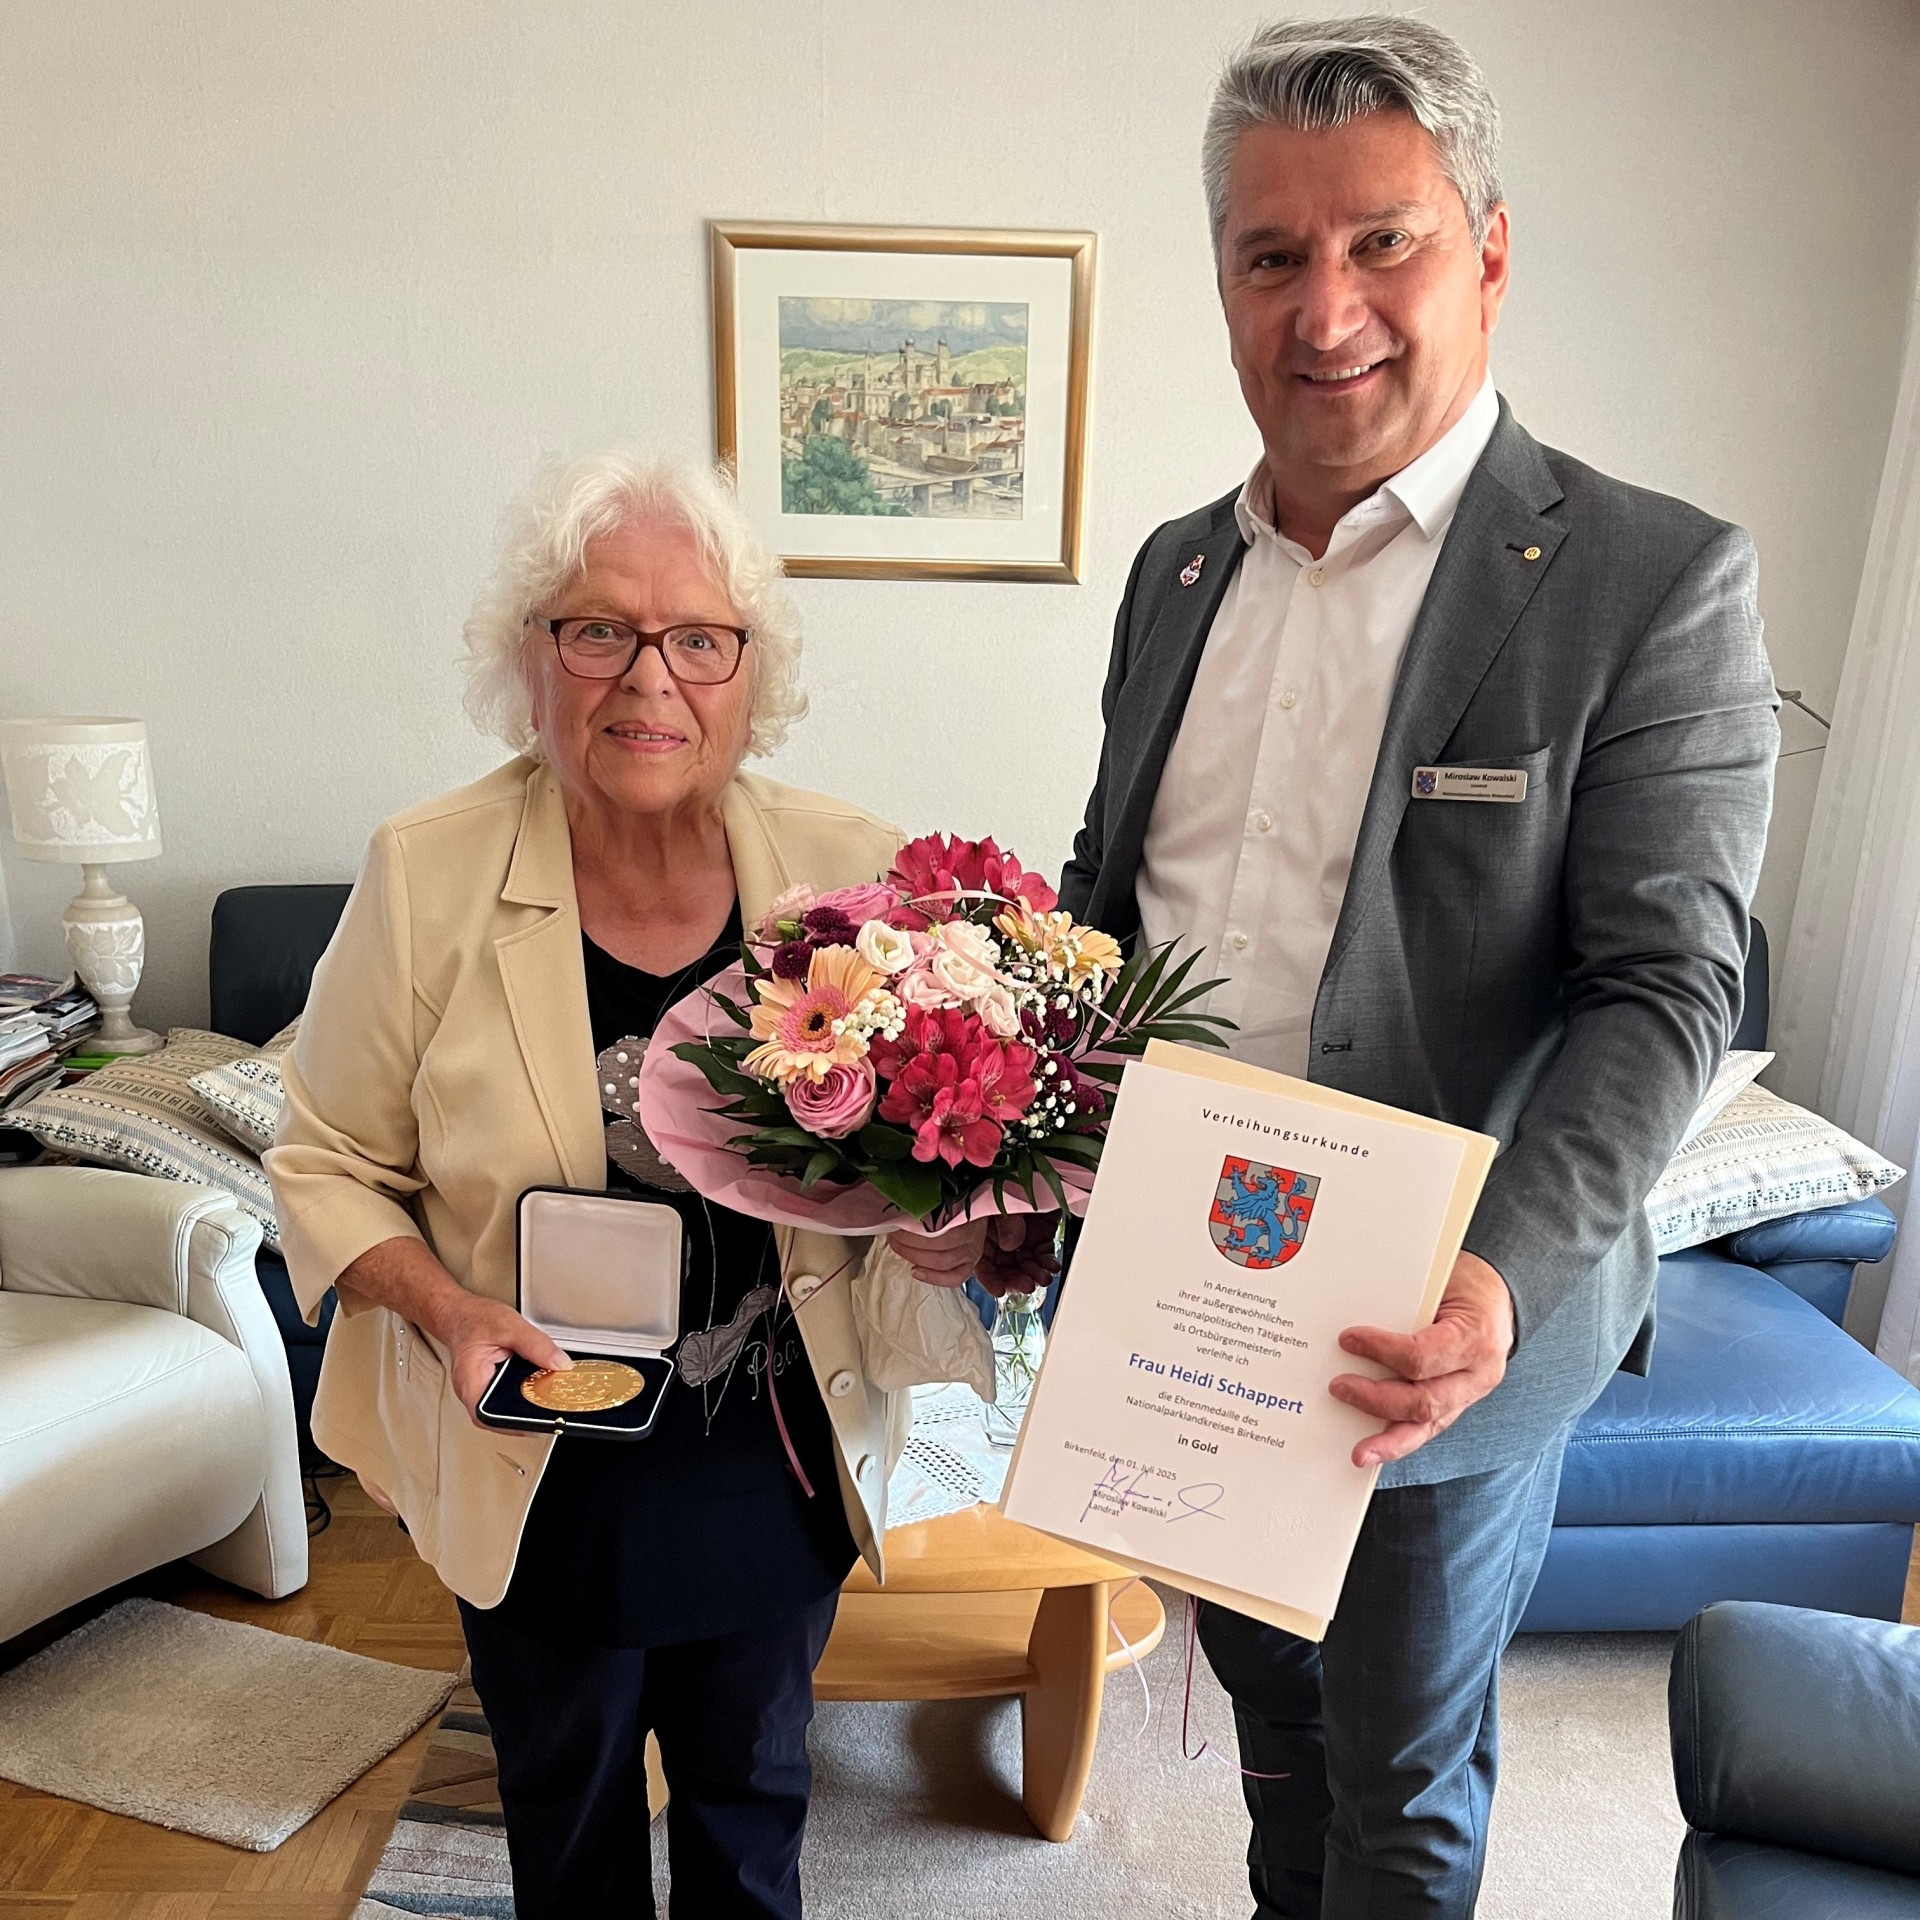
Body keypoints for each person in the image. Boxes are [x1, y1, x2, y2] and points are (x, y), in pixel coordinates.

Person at [1059, 17, 1777, 1918]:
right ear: (1222, 276)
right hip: (1193, 1296)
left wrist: (1494, 1281)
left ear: (1489, 250)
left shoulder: (1649, 581)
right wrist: (1017, 1148)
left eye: (1384, 242)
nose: (1328, 311)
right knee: (1272, 1735)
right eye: (1272, 256)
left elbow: (1666, 995)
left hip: (1437, 1336)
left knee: (1400, 1784)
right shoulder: (1170, 574)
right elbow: (1111, 907)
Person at [266, 452, 989, 1920]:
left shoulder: (849, 870)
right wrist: (445, 1308)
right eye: (596, 629)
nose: (647, 677)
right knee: (567, 1813)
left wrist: (952, 1228)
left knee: (751, 1811)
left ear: (748, 672)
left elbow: (923, 1161)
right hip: (536, 1457)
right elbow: (324, 1160)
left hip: (769, 1450)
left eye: (697, 638)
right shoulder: (429, 873)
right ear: (529, 660)